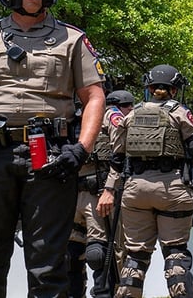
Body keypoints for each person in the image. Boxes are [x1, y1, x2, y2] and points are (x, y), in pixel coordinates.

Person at [0, 0, 106, 296]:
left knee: (49, 268)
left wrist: (82, 149)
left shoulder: (72, 39)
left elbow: (94, 96)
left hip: (49, 157)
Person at [107, 64, 193, 298]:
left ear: (150, 88)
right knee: (175, 253)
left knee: (135, 255)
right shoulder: (179, 111)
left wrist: (111, 188)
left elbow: (117, 157)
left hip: (135, 190)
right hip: (172, 188)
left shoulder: (132, 114)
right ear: (174, 89)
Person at [67, 89, 134, 298]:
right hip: (70, 193)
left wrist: (110, 188)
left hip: (98, 192)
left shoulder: (109, 115)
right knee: (70, 256)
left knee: (99, 255)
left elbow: (122, 153)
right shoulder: (66, 114)